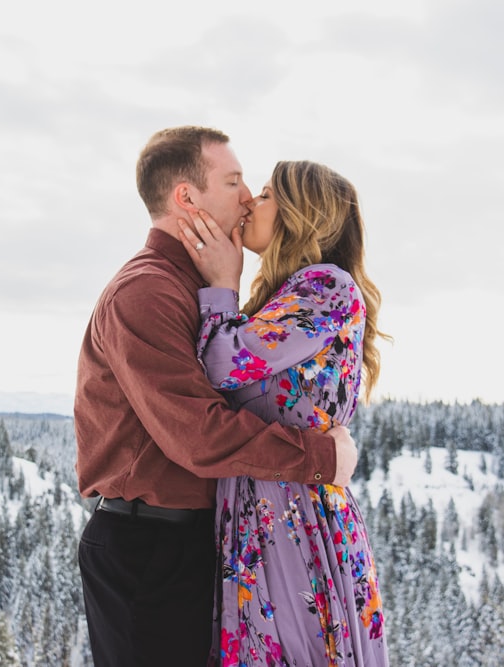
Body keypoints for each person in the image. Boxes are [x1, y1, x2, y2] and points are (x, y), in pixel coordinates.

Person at [73, 127, 360, 666]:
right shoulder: (147, 290)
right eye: (233, 181)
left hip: (195, 542)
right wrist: (320, 458)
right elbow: (198, 434)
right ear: (187, 197)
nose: (248, 195)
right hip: (150, 547)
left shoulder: (196, 286)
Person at [176, 160, 390, 665]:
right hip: (262, 508)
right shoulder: (285, 296)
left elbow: (218, 364)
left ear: (302, 214)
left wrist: (222, 285)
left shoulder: (327, 287)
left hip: (297, 517)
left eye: (268, 195)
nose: (251, 201)